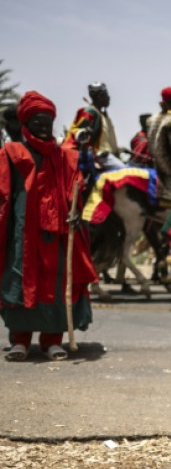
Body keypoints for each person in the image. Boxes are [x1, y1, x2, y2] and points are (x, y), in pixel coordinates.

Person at [0, 91, 97, 361]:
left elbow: (74, 187)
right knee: (19, 277)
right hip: (22, 230)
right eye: (37, 123)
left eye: (48, 123)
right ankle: (19, 340)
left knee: (55, 282)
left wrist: (76, 210)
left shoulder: (64, 156)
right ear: (25, 124)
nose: (43, 128)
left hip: (57, 232)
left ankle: (52, 340)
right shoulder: (11, 153)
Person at [62, 82, 123, 170]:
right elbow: (79, 134)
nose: (108, 98)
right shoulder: (89, 112)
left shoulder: (103, 116)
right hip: (98, 156)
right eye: (105, 95)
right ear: (99, 96)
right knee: (125, 172)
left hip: (107, 155)